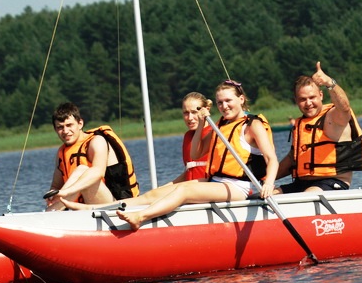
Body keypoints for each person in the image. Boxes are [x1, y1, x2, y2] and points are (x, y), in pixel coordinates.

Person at [116, 80, 278, 229]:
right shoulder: (222, 125)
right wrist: (202, 123)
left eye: (228, 101)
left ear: (241, 99)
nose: (224, 106)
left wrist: (269, 184)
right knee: (156, 193)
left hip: (240, 186)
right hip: (217, 181)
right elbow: (196, 153)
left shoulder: (252, 124)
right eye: (220, 103)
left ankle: (140, 217)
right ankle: (104, 207)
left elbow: (271, 159)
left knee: (185, 191)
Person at [60, 92, 212, 211]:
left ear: (206, 110)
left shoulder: (213, 133)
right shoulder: (188, 136)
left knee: (151, 197)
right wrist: (166, 187)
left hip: (204, 188)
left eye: (194, 112)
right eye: (186, 113)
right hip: (191, 186)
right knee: (152, 194)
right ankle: (84, 208)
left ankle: (93, 208)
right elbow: (190, 171)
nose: (190, 117)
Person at [276, 62, 362, 193]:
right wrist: (266, 179)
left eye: (312, 97)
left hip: (332, 182)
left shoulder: (332, 117)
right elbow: (292, 159)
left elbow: (344, 108)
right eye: (302, 99)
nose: (308, 103)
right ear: (296, 100)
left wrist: (330, 83)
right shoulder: (301, 124)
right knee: (262, 198)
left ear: (321, 95)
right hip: (301, 183)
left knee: (307, 195)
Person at [45, 102, 139, 210]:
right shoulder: (61, 152)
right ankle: (52, 212)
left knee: (83, 170)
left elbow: (98, 172)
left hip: (114, 205)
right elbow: (56, 186)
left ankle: (51, 213)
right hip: (81, 207)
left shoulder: (96, 142)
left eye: (69, 125)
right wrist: (52, 195)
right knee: (78, 174)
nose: (65, 131)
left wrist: (67, 191)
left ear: (80, 124)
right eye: (60, 127)